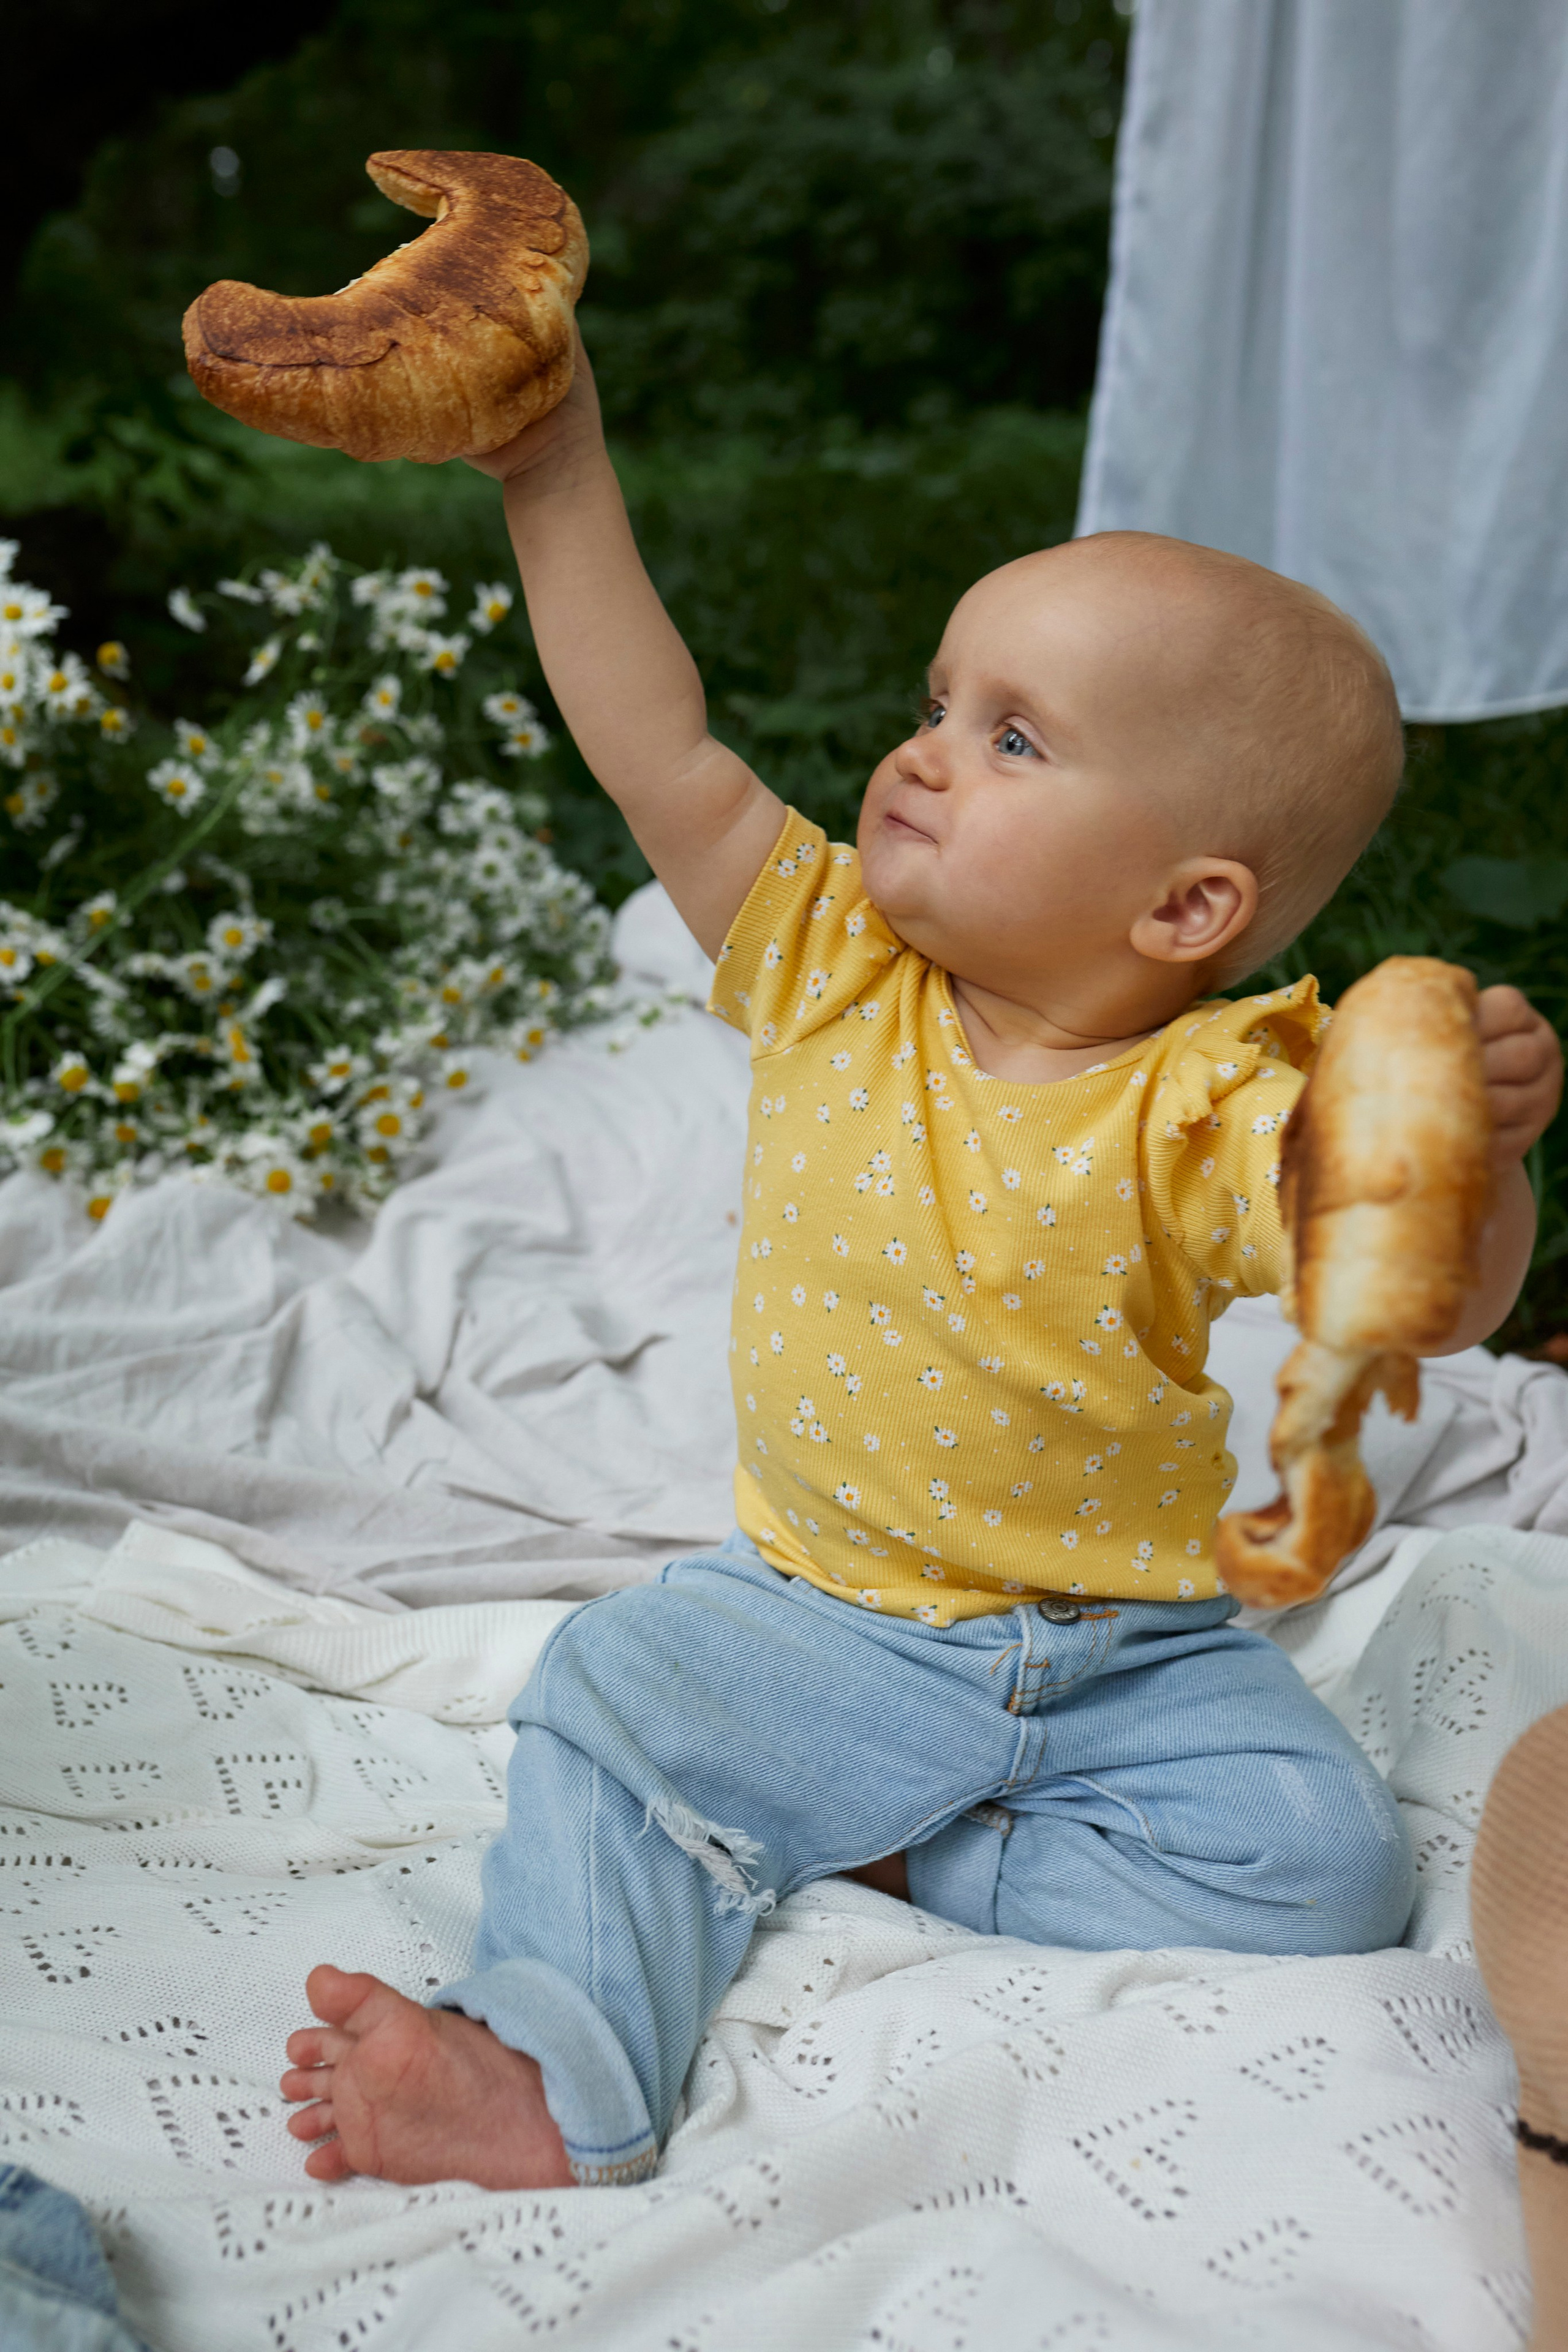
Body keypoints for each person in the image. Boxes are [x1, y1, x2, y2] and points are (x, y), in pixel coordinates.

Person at [278, 331, 1563, 2192]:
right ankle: (547, 2066)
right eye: (940, 701)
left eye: (1012, 738)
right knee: (611, 1689)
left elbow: (1434, 1294)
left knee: (1327, 1872)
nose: (925, 753)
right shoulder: (831, 969)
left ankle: (904, 1841)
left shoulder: (1225, 1096)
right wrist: (551, 468)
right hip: (825, 1614)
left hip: (1125, 1657)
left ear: (1187, 904)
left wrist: (1474, 1164)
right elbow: (658, 747)